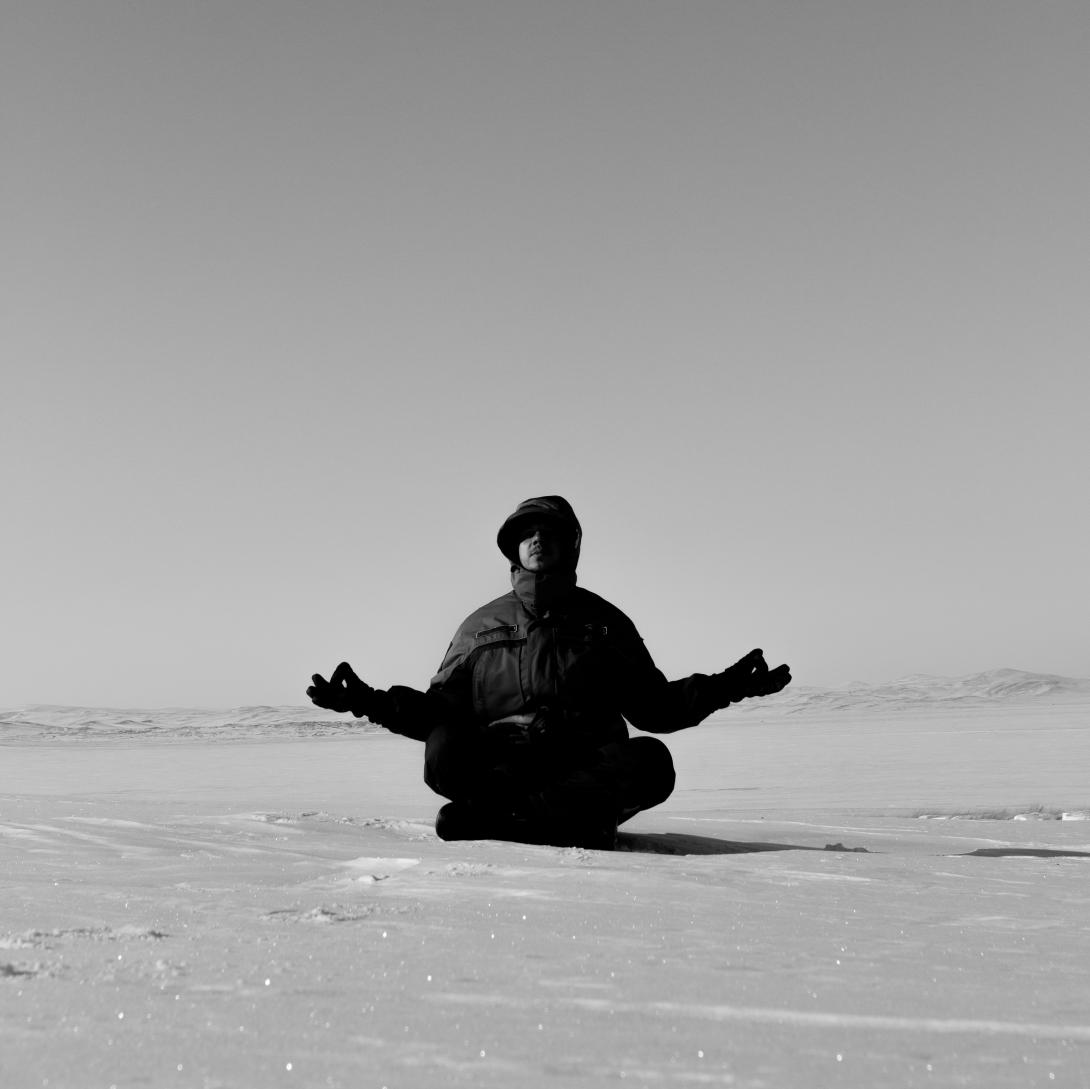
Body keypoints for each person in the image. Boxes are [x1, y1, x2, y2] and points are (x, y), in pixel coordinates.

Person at [307, 495, 791, 849]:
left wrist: (728, 687)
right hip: (504, 768)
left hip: (581, 768)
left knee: (651, 762)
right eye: (527, 534)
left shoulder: (605, 623)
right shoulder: (479, 627)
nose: (537, 540)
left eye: (549, 532)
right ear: (513, 550)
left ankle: (505, 821)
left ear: (571, 546)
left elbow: (655, 708)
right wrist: (367, 702)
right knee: (444, 748)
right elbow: (439, 712)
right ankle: (564, 824)